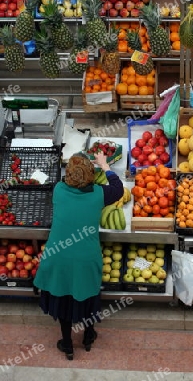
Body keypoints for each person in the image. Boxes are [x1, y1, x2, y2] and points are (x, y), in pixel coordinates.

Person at [33, 152, 124, 360]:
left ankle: (67, 344)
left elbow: (48, 178)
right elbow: (118, 189)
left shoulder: (58, 190)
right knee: (87, 295)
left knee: (64, 298)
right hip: (86, 258)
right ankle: (88, 336)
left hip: (58, 257)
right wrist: (105, 166)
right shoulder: (99, 194)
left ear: (69, 175)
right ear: (91, 175)